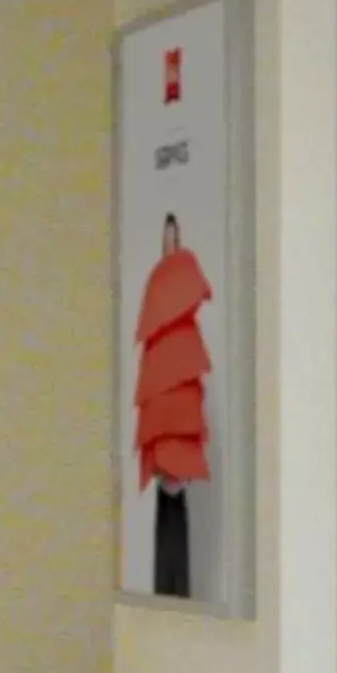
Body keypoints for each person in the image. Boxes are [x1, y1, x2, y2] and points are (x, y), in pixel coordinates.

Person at [133, 213, 214, 597]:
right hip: (164, 427)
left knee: (176, 511)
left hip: (176, 429)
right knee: (166, 516)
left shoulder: (184, 332)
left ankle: (177, 587)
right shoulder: (157, 320)